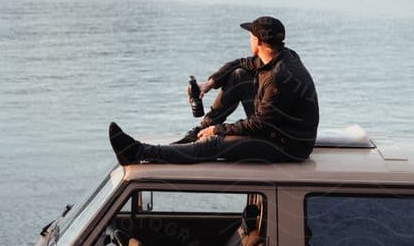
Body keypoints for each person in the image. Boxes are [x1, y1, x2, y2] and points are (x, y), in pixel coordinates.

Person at [108, 16, 318, 165]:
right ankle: (197, 132)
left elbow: (259, 124)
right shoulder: (280, 56)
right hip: (275, 128)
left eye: (251, 36)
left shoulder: (278, 78)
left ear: (259, 41)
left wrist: (218, 130)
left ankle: (138, 152)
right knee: (238, 75)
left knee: (214, 145)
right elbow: (240, 64)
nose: (249, 39)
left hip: (286, 146)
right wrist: (209, 84)